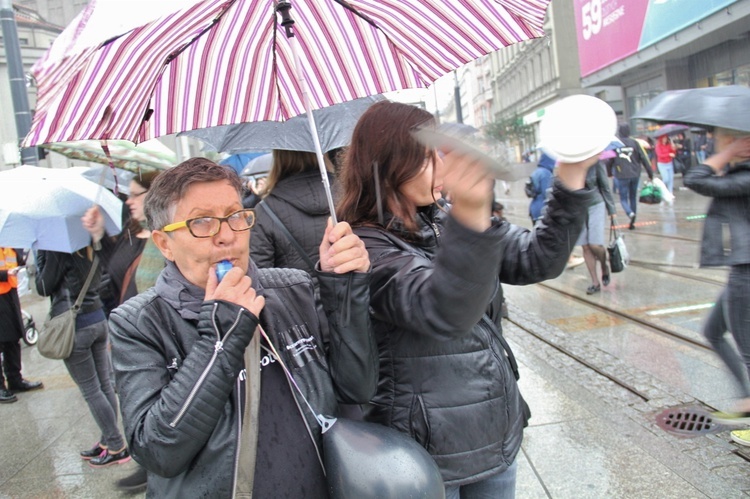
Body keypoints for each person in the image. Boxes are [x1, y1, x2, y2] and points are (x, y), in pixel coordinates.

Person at [335, 100, 597, 497]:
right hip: (429, 450)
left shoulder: (443, 217)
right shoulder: (364, 246)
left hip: (495, 427)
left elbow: (536, 258)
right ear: (391, 162)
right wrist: (472, 215)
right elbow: (443, 311)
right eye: (427, 158)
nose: (441, 168)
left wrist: (571, 176)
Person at [107, 158, 376, 497]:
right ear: (164, 244)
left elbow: (358, 388)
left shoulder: (292, 290)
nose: (227, 237)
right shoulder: (140, 323)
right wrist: (221, 337)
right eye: (202, 222)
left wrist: (344, 289)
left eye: (236, 217)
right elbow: (157, 449)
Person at [82, 170, 163, 492]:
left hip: (153, 341)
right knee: (133, 400)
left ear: (153, 195)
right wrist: (100, 236)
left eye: (135, 194)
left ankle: (153, 463)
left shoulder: (165, 240)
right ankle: (147, 460)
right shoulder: (133, 234)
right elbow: (113, 277)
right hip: (125, 335)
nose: (128, 201)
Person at [683, 128, 750, 448]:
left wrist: (724, 156)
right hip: (741, 269)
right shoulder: (741, 173)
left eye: (721, 139)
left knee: (749, 350)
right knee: (712, 330)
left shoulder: (746, 176)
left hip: (747, 273)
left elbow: (695, 179)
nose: (714, 144)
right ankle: (748, 400)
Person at [35, 245, 130, 467]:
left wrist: (41, 256)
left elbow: (43, 286)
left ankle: (117, 445)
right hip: (97, 318)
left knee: (91, 390)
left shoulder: (54, 249)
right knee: (104, 384)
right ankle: (108, 440)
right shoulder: (90, 243)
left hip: (75, 326)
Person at [251, 149, 334, 277]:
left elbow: (260, 278)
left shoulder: (265, 211)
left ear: (278, 157)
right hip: (349, 293)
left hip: (296, 296)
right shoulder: (351, 195)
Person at [0, 248, 43, 403]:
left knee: (12, 338)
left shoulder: (8, 244)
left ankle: (15, 380)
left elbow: (18, 261)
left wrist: (21, 256)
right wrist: (5, 275)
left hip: (9, 295)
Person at [576, 161, 617, 295]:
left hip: (595, 204)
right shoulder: (568, 164)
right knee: (585, 246)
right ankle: (595, 282)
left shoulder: (596, 162)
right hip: (577, 207)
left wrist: (612, 210)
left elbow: (605, 187)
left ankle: (604, 266)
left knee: (595, 244)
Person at [608, 123, 653, 230]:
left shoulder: (615, 144)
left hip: (621, 174)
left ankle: (629, 213)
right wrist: (650, 173)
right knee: (632, 196)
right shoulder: (635, 143)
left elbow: (609, 160)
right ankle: (632, 221)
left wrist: (609, 173)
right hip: (635, 174)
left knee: (623, 198)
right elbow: (644, 158)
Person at [528, 151, 556, 224]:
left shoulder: (536, 172)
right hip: (542, 210)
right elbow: (547, 194)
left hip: (534, 208)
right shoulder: (546, 173)